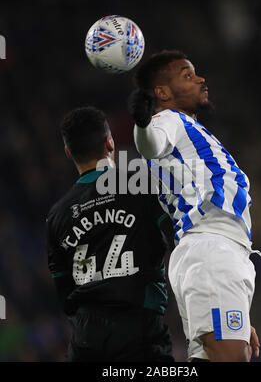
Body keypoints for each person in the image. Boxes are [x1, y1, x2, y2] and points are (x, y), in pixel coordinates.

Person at [128, 50, 261, 362]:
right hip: (211, 250)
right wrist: (142, 122)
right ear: (162, 92)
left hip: (217, 254)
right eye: (187, 75)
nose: (200, 79)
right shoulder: (167, 121)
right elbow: (151, 143)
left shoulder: (190, 131)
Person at [46, 106, 175, 362]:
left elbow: (64, 292)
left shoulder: (56, 215)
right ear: (109, 142)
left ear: (68, 152)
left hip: (85, 341)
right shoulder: (142, 186)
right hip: (140, 332)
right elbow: (178, 241)